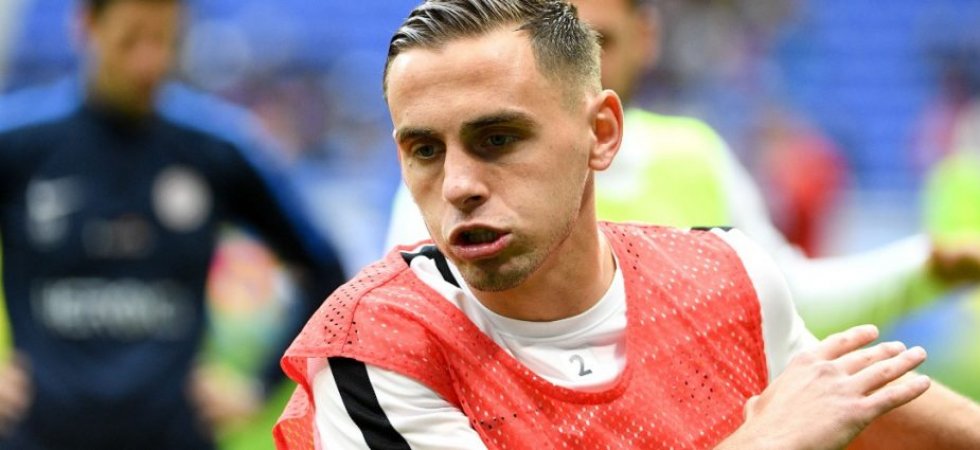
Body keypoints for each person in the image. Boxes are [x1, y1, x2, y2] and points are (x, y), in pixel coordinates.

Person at [274, 1, 980, 448]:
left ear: (602, 133)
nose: (458, 186)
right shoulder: (376, 351)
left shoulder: (725, 276)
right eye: (424, 150)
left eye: (498, 139)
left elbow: (840, 400)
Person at [383, 0, 978, 338]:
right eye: (554, 44)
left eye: (597, 42)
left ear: (647, 38)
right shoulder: (459, 182)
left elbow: (785, 301)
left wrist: (929, 267)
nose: (575, 67)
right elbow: (412, 328)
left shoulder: (694, 155)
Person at [0, 0, 347, 448]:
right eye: (130, 40)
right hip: (40, 436)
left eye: (164, 41)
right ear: (86, 27)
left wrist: (257, 385)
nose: (149, 60)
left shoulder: (214, 150)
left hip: (172, 436)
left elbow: (323, 269)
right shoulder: (19, 147)